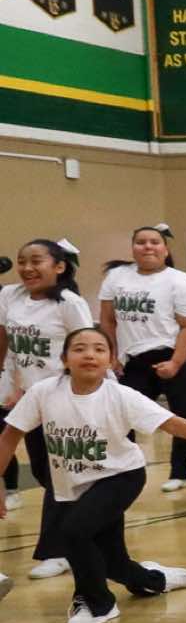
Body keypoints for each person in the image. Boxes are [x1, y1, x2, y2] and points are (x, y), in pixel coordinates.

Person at [0, 325, 186, 623]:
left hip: (120, 476)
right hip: (72, 484)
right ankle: (157, 579)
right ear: (65, 358)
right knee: (113, 563)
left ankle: (98, 604)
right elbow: (9, 437)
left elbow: (174, 424)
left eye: (99, 349)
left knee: (72, 532)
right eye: (79, 349)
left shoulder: (122, 396)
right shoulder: (43, 392)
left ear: (111, 360)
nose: (89, 355)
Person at [99, 225, 186, 506]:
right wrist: (112, 355)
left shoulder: (179, 281)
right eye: (141, 242)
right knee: (120, 417)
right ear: (133, 248)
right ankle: (116, 480)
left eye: (154, 242)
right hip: (135, 359)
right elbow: (107, 320)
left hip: (180, 356)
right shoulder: (117, 278)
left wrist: (175, 363)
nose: (147, 246)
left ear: (165, 249)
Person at [2, 239, 98, 578]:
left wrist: (89, 396)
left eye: (36, 261)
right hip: (31, 398)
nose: (27, 268)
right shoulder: (9, 296)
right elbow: (6, 343)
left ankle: (59, 550)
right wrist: (8, 383)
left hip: (65, 396)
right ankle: (85, 534)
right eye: (22, 261)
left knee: (61, 474)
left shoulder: (69, 303)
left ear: (59, 266)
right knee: (47, 472)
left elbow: (88, 348)